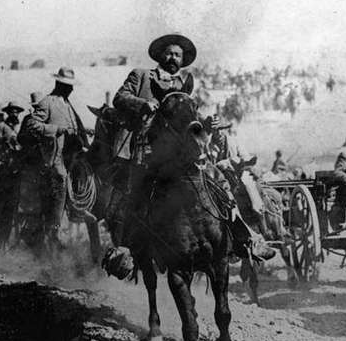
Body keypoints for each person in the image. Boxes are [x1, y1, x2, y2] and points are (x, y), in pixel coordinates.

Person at [105, 33, 273, 271]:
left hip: (178, 154)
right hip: (146, 149)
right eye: (169, 53)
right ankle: (125, 253)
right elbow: (119, 98)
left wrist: (208, 123)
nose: (173, 58)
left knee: (219, 183)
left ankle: (245, 238)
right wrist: (143, 104)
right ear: (161, 55)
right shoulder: (142, 75)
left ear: (183, 60)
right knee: (136, 198)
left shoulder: (183, 85)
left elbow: (190, 117)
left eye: (178, 55)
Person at [24, 67, 90, 250]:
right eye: (68, 86)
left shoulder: (68, 104)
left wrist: (84, 133)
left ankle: (79, 219)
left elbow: (75, 128)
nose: (71, 89)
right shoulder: (48, 102)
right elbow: (32, 124)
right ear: (59, 84)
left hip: (72, 155)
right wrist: (56, 130)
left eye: (71, 86)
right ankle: (54, 230)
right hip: (55, 157)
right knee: (60, 179)